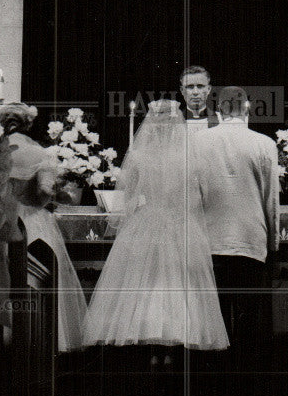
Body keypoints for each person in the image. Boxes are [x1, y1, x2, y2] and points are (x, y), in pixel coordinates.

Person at [82, 99, 228, 359]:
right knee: (177, 281)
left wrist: (132, 221)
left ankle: (147, 339)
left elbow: (127, 199)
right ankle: (176, 336)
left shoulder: (138, 155)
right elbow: (201, 195)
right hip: (180, 222)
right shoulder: (190, 154)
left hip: (147, 220)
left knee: (147, 281)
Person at [195, 86, 280, 396]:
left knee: (210, 322)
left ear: (216, 110)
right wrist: (273, 244)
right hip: (249, 241)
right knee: (248, 324)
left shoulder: (198, 143)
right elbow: (270, 199)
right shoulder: (264, 144)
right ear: (247, 109)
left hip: (208, 242)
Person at [0, 102, 88, 353]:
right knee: (39, 279)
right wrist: (61, 196)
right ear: (28, 123)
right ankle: (45, 339)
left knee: (7, 276)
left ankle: (5, 337)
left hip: (3, 220)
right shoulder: (39, 153)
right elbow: (44, 191)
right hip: (33, 222)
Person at [180, 65, 220, 132]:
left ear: (208, 89)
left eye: (200, 86)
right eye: (190, 87)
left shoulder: (222, 120)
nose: (195, 92)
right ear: (182, 90)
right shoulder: (173, 122)